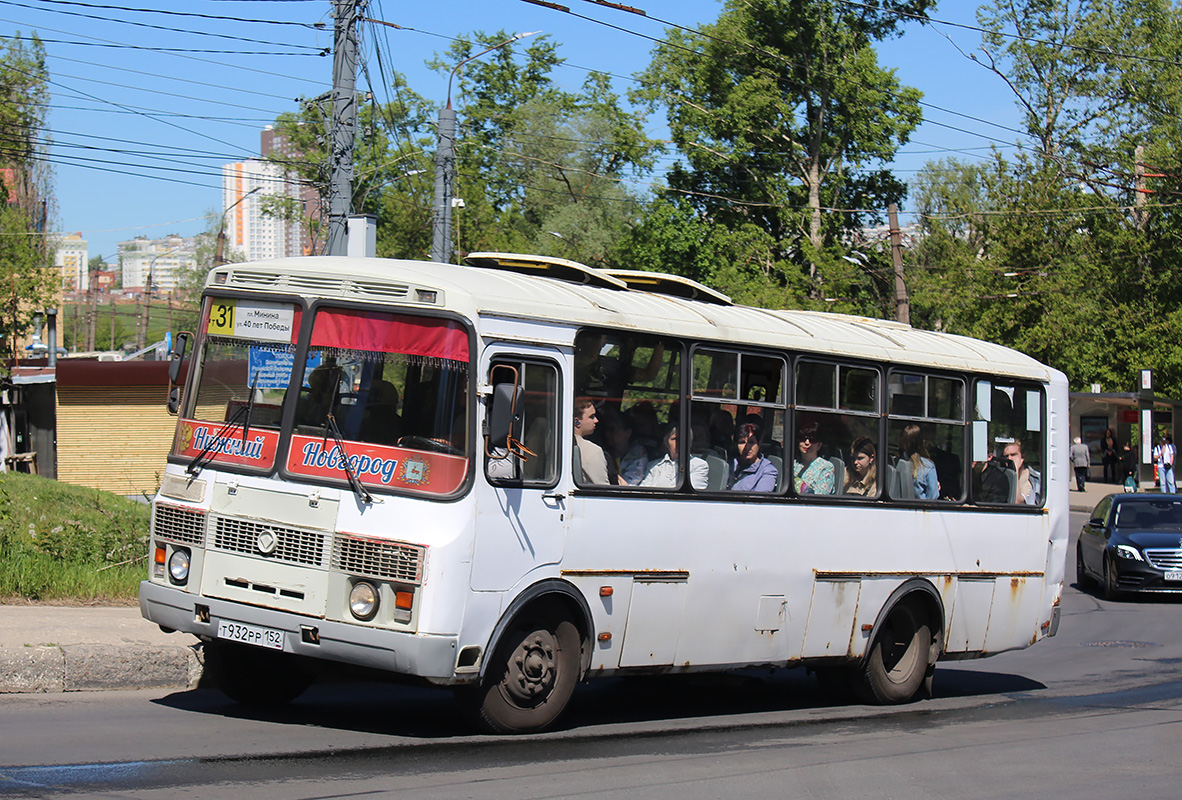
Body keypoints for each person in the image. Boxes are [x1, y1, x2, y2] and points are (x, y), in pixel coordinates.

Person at [640, 424, 708, 490]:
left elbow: (693, 495)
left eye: (684, 439)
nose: (680, 443)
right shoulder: (653, 466)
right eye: (675, 439)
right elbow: (643, 492)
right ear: (666, 443)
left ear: (690, 442)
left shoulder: (699, 465)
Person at [729, 421, 778, 492]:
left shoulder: (767, 471)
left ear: (759, 443)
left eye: (751, 442)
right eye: (742, 442)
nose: (747, 447)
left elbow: (759, 500)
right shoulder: (730, 464)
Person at [573, 398, 610, 484]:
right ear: (577, 422)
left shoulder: (554, 444)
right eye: (591, 417)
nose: (596, 420)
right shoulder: (592, 451)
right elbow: (603, 491)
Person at [793, 421, 835, 495]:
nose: (807, 442)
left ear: (819, 445)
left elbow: (821, 497)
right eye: (803, 438)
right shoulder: (792, 464)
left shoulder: (826, 467)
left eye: (812, 440)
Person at [899, 423, 939, 500]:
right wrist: (936, 487)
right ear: (921, 442)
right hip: (921, 508)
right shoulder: (927, 466)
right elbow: (933, 497)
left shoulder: (897, 463)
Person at [1003, 439, 1042, 505]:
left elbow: (1018, 502)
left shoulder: (1029, 479)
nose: (1009, 458)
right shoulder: (1002, 475)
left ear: (1022, 457)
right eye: (1006, 456)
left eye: (1013, 455)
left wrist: (1016, 471)